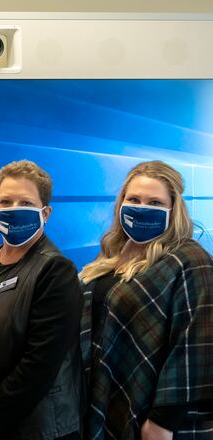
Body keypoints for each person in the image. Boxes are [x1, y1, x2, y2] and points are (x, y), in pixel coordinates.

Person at [79, 161, 213, 439]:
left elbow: (196, 342)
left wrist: (163, 421)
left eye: (154, 201)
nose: (142, 207)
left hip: (156, 417)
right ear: (121, 203)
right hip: (98, 397)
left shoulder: (189, 259)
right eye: (134, 199)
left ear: (173, 210)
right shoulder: (112, 255)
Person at [0, 160, 82, 440]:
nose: (13, 209)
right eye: (6, 201)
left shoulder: (56, 270)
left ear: (45, 213)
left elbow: (41, 362)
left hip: (39, 428)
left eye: (25, 202)